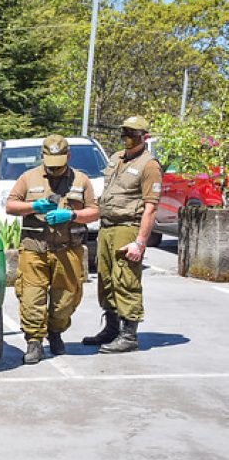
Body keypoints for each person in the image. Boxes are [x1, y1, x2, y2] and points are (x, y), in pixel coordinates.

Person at [6, 134, 99, 364]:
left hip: (68, 250)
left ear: (68, 156)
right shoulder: (28, 178)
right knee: (31, 298)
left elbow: (95, 212)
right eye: (50, 164)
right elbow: (10, 205)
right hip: (34, 249)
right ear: (42, 156)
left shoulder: (81, 180)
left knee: (65, 301)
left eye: (59, 163)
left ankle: (55, 332)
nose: (55, 169)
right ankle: (34, 342)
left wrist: (72, 215)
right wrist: (32, 206)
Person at [82, 116, 162, 353]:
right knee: (106, 279)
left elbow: (151, 207)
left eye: (133, 136)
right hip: (107, 228)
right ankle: (111, 328)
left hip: (128, 228)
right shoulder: (117, 158)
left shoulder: (149, 165)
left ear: (143, 137)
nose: (127, 140)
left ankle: (129, 336)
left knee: (126, 279)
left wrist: (140, 242)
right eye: (124, 135)